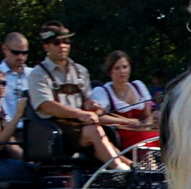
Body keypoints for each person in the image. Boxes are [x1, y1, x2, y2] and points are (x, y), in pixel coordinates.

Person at [25, 22, 133, 168]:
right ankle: (120, 171)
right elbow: (46, 105)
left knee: (102, 132)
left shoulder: (80, 71)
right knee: (94, 131)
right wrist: (79, 114)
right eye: (57, 43)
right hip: (56, 131)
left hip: (82, 126)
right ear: (46, 47)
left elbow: (86, 99)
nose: (63, 46)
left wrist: (90, 105)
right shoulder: (38, 74)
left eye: (66, 41)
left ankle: (132, 167)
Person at [90, 50, 158, 149]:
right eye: (117, 68)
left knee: (161, 138)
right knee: (144, 142)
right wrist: (127, 121)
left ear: (129, 69)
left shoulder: (138, 86)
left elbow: (148, 115)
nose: (122, 71)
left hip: (142, 132)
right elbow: (99, 117)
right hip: (122, 137)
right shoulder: (103, 91)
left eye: (125, 67)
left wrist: (146, 126)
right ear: (110, 71)